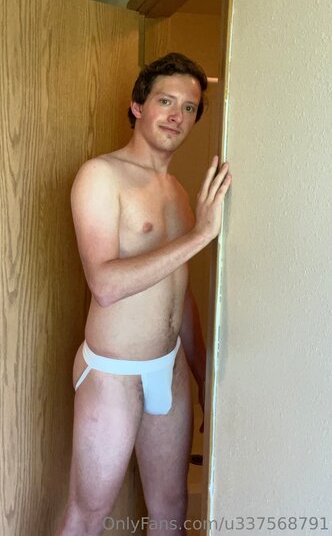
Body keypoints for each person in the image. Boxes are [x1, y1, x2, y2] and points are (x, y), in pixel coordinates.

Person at [57, 53, 232, 535]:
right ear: (138, 106)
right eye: (165, 101)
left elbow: (181, 294)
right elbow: (105, 284)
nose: (177, 115)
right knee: (88, 514)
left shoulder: (177, 191)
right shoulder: (101, 175)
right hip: (112, 372)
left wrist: (203, 377)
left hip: (169, 369)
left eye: (189, 107)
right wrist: (201, 235)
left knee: (171, 506)